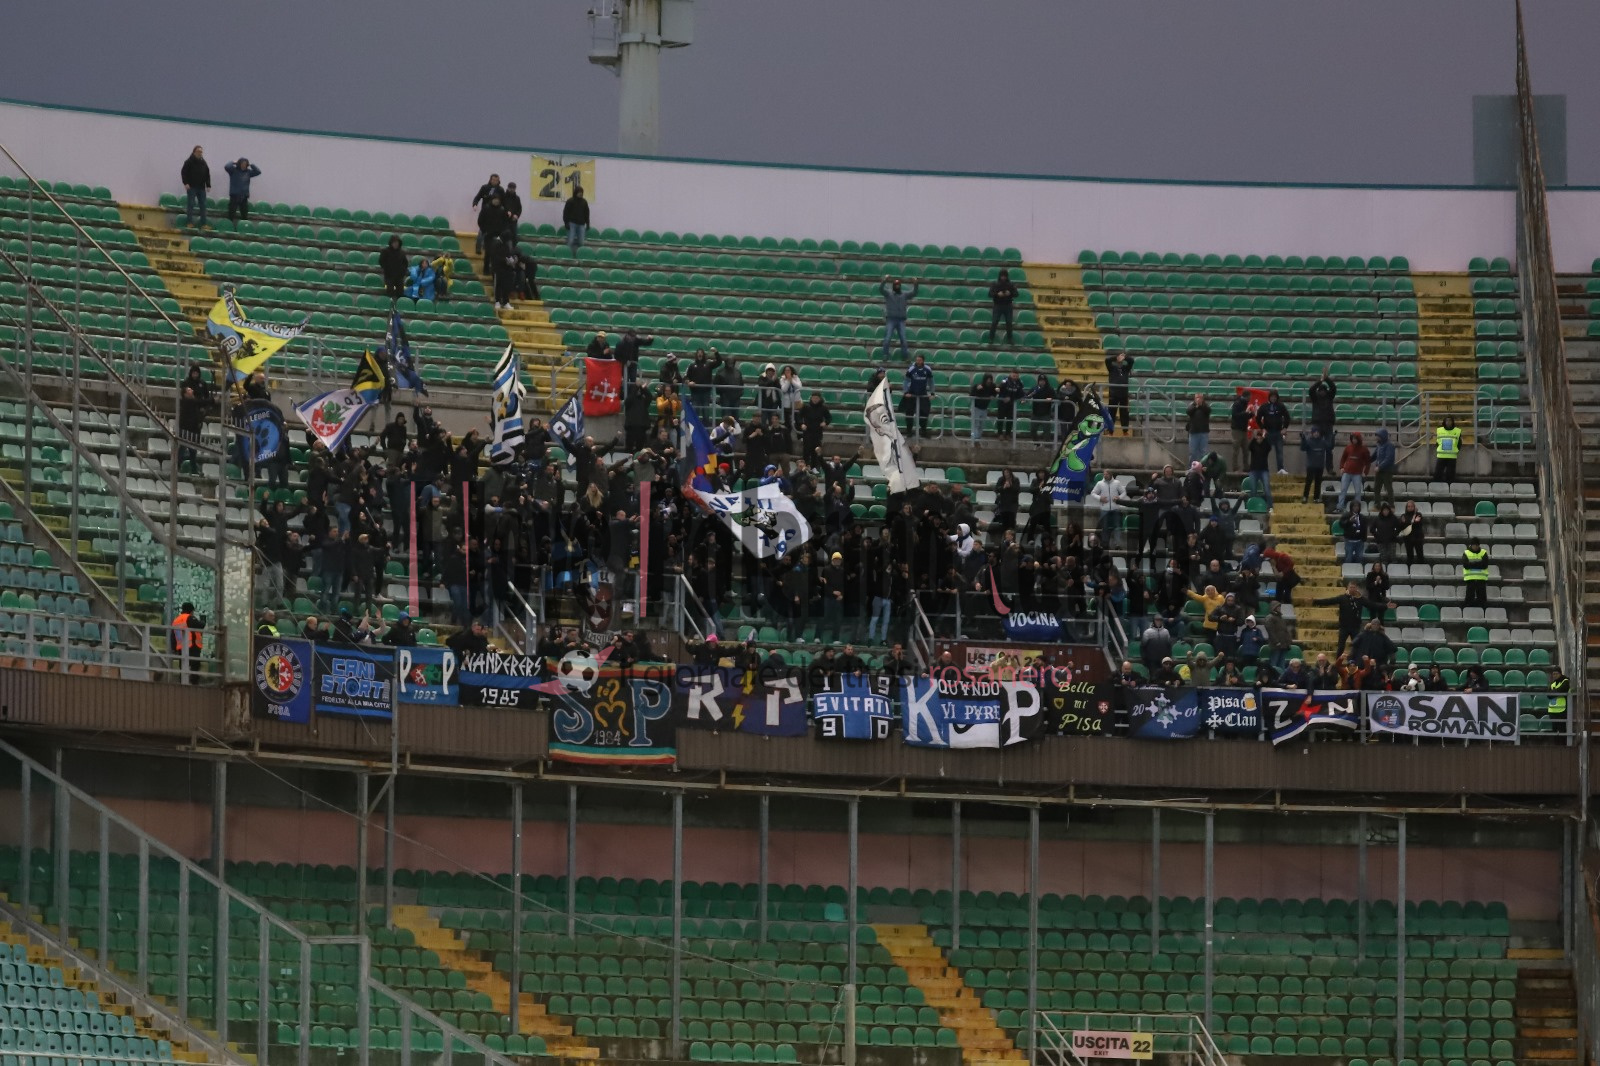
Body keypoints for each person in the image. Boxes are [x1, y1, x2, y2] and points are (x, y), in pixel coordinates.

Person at [1314, 581, 1394, 657]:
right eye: (1351, 587)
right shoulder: (1342, 598)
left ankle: (1355, 664)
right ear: (1347, 588)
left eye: (1354, 587)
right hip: (1344, 627)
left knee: (1356, 646)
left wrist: (1385, 606)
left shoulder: (1361, 599)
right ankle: (1338, 664)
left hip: (1355, 627)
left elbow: (1372, 605)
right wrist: (1315, 601)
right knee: (1341, 646)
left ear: (1356, 588)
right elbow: (1329, 601)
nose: (1352, 589)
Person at [177, 363, 215, 472]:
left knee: (193, 449)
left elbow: (203, 400)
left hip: (194, 426)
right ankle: (178, 465)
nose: (192, 391)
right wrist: (211, 401)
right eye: (189, 390)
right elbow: (200, 401)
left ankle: (193, 467)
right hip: (186, 427)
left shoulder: (201, 385)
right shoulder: (188, 401)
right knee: (183, 447)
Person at [880, 276, 919, 359]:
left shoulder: (904, 294)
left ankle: (905, 356)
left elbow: (914, 293)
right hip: (891, 319)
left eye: (898, 285)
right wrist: (884, 281)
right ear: (893, 286)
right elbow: (881, 290)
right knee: (887, 338)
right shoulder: (888, 294)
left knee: (903, 339)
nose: (897, 286)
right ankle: (885, 354)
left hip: (901, 320)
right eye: (896, 285)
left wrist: (915, 284)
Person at [1334, 432, 1371, 513]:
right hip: (1347, 472)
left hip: (1357, 474)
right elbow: (1343, 458)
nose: (1354, 440)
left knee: (1358, 491)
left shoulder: (1364, 449)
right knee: (1343, 490)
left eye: (1355, 438)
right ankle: (1339, 507)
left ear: (1359, 439)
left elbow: (1368, 462)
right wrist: (1341, 467)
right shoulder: (1348, 448)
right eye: (1353, 438)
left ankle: (1357, 509)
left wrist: (1365, 472)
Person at [1257, 389, 1291, 473]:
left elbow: (1287, 417)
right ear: (1269, 397)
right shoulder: (1264, 406)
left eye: (1275, 397)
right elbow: (1258, 418)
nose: (1273, 398)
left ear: (1277, 397)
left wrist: (1285, 428)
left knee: (1279, 452)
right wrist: (1262, 428)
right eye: (1272, 397)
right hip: (1268, 432)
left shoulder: (1281, 406)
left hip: (1278, 432)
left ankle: (1280, 469)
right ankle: (1263, 468)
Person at [170, 602, 204, 685]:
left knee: (183, 666)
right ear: (191, 610)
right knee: (195, 666)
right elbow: (200, 625)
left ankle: (182, 682)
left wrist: (174, 648)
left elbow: (173, 635)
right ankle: (194, 683)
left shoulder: (176, 620)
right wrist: (203, 619)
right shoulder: (189, 618)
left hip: (181, 647)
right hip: (192, 646)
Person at [902, 354, 934, 437]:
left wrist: (932, 393)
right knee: (909, 413)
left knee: (924, 413)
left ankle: (923, 431)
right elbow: (906, 381)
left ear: (923, 361)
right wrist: (906, 392)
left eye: (920, 360)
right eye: (917, 360)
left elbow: (931, 382)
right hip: (912, 393)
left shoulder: (927, 369)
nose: (918, 362)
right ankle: (909, 431)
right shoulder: (911, 369)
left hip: (923, 393)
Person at [1104, 350, 1133, 435]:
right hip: (1113, 394)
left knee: (1124, 413)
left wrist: (1125, 357)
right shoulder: (1111, 368)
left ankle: (1125, 431)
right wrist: (1116, 357)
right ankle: (1110, 431)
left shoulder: (1126, 369)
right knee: (1111, 412)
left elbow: (1131, 361)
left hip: (1124, 394)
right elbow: (1107, 360)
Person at [223, 157, 261, 222]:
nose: (244, 165)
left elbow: (258, 172)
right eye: (242, 163)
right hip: (234, 196)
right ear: (239, 164)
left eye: (245, 164)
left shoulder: (248, 172)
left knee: (244, 215)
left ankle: (244, 227)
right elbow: (227, 167)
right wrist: (233, 162)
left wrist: (251, 165)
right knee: (231, 214)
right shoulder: (233, 171)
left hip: (244, 196)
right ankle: (230, 226)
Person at [180, 146, 210, 228]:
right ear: (194, 152)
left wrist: (208, 185)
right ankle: (189, 222)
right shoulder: (189, 162)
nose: (200, 153)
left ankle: (204, 224)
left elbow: (207, 174)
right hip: (192, 187)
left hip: (201, 188)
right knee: (191, 204)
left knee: (203, 205)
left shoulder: (204, 163)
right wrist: (185, 183)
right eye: (198, 151)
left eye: (201, 152)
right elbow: (183, 172)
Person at [1299, 426, 1330, 504]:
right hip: (1311, 465)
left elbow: (1330, 447)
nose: (1316, 434)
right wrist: (1303, 439)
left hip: (1320, 466)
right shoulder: (1309, 441)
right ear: (1312, 433)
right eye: (1315, 432)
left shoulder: (1323, 442)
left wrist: (1332, 437)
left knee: (1318, 482)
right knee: (1308, 482)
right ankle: (1305, 496)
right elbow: (1303, 448)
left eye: (1317, 432)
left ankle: (1316, 498)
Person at [1244, 426, 1273, 511]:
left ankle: (1270, 506)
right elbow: (1249, 447)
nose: (1259, 439)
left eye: (1260, 437)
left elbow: (1269, 446)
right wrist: (1254, 438)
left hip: (1264, 470)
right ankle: (1252, 505)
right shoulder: (1253, 445)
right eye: (1258, 438)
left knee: (1267, 488)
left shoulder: (1265, 445)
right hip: (1253, 470)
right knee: (1253, 489)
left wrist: (1265, 437)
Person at [987, 269, 1018, 344]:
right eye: (1002, 276)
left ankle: (1010, 339)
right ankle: (991, 338)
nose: (1003, 278)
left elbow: (1016, 293)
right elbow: (990, 294)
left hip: (1008, 305)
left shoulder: (1011, 284)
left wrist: (1009, 293)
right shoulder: (995, 284)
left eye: (1004, 276)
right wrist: (997, 294)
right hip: (998, 305)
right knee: (994, 322)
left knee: (1009, 323)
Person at [996, 370, 1026, 439]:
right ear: (1010, 375)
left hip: (1011, 404)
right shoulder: (1005, 380)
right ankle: (1000, 434)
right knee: (1000, 418)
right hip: (1002, 403)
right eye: (1013, 376)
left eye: (1016, 376)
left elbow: (1021, 392)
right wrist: (999, 390)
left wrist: (1023, 398)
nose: (1015, 377)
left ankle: (1008, 434)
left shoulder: (1019, 383)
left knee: (1010, 419)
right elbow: (1000, 387)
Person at [1307, 367, 1337, 437]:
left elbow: (1333, 387)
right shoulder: (1315, 397)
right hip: (1317, 423)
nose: (1322, 392)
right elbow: (1311, 390)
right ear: (1318, 391)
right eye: (1321, 391)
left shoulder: (1329, 396)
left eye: (1324, 390)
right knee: (1317, 443)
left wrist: (1326, 378)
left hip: (1328, 423)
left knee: (1328, 444)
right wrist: (1320, 381)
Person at [1371, 428, 1397, 507]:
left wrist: (1380, 467)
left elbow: (1389, 458)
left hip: (1387, 471)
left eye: (1378, 436)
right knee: (1376, 488)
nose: (1377, 437)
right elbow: (1374, 455)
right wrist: (1366, 461)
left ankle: (1391, 505)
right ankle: (1377, 505)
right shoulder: (1379, 445)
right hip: (1379, 470)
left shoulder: (1390, 445)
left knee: (1388, 489)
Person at [1462, 535, 1489, 608]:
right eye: (1474, 545)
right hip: (1470, 579)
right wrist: (1478, 564)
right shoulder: (1466, 553)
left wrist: (1472, 564)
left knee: (1482, 599)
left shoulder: (1483, 552)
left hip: (1481, 579)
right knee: (1469, 597)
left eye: (1477, 545)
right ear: (1471, 545)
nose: (1476, 547)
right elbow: (1465, 565)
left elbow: (1485, 565)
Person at [1434, 415, 1462, 483]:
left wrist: (1456, 450)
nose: (1448, 422)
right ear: (1444, 422)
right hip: (1441, 456)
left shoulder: (1457, 431)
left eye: (1450, 420)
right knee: (1438, 474)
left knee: (1450, 475)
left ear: (1453, 422)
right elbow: (1437, 442)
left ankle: (1449, 488)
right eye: (1447, 420)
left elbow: (1459, 443)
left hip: (1452, 456)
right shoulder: (1439, 430)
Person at [379, 236, 408, 301]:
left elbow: (405, 263)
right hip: (389, 275)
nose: (396, 244)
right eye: (394, 242)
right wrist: (386, 269)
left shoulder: (402, 253)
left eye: (397, 243)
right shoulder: (385, 251)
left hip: (399, 276)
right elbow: (381, 261)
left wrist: (403, 272)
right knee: (389, 292)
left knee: (400, 292)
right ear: (391, 243)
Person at [1400, 499, 1426, 565]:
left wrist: (1408, 522)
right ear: (1406, 508)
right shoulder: (1403, 516)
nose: (1410, 507)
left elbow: (1417, 523)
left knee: (1420, 555)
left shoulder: (1419, 514)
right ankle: (1409, 571)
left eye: (1412, 506)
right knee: (1409, 556)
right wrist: (1412, 522)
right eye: (1408, 506)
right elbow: (1403, 525)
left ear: (1414, 507)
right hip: (1408, 539)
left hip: (1418, 538)